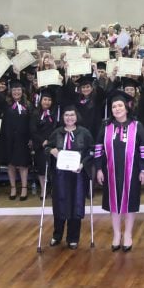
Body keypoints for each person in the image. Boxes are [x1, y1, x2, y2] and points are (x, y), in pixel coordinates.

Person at [94, 90, 144, 252]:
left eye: (120, 106)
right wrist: (99, 169)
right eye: (114, 107)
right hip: (110, 171)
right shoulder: (106, 126)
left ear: (127, 108)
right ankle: (116, 234)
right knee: (114, 202)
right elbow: (98, 149)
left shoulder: (137, 126)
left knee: (130, 202)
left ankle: (128, 234)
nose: (117, 109)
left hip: (132, 172)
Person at [46, 105, 95, 249]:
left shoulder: (84, 133)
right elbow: (46, 147)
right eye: (66, 115)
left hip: (78, 175)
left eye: (72, 115)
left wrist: (83, 164)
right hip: (60, 175)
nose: (69, 118)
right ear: (63, 117)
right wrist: (51, 150)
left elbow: (91, 151)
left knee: (76, 204)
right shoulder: (57, 133)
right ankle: (57, 235)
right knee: (59, 203)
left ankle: (73, 237)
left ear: (76, 117)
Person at [0, 80, 32, 201]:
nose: (16, 92)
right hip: (8, 138)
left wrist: (31, 138)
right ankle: (13, 188)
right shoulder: (6, 104)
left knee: (23, 164)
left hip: (23, 139)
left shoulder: (28, 105)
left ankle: (24, 188)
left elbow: (32, 123)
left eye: (19, 90)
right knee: (11, 164)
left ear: (22, 91)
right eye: (14, 90)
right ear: (11, 91)